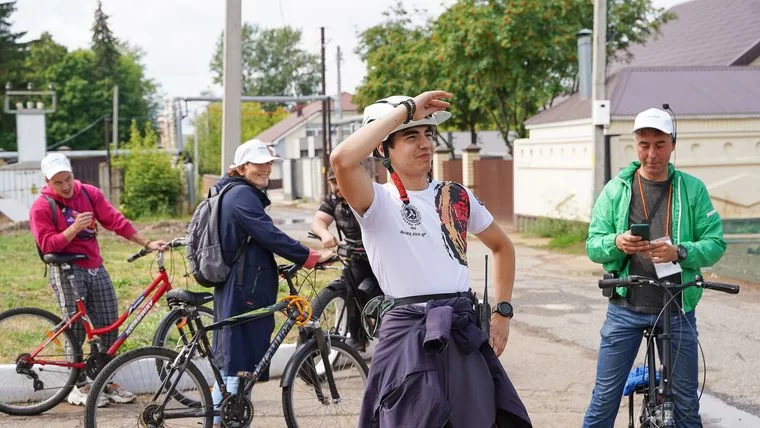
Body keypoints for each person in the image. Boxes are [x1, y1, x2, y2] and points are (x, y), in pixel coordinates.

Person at [330, 91, 531, 427]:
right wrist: (406, 111)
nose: (425, 144)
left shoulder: (455, 195)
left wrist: (503, 312)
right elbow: (342, 160)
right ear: (383, 148)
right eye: (411, 136)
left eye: (429, 134)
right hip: (407, 333)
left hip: (462, 329)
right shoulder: (376, 199)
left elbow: (502, 247)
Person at [583, 108, 726, 427]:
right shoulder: (617, 189)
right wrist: (617, 242)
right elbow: (593, 244)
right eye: (644, 144)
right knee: (604, 398)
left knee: (687, 403)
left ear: (673, 144)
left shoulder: (692, 189)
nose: (651, 153)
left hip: (677, 306)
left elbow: (715, 243)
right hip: (625, 306)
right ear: (635, 144)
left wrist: (682, 251)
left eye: (659, 144)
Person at [29, 152, 167, 407]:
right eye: (58, 182)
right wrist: (73, 229)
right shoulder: (41, 206)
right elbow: (47, 243)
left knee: (108, 324)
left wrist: (147, 243)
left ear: (73, 174)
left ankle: (105, 379)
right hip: (66, 268)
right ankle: (77, 384)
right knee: (76, 328)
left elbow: (116, 221)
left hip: (94, 267)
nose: (65, 186)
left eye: (68, 179)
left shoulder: (89, 194)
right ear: (47, 182)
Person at [209, 139, 329, 427]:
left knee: (235, 365)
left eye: (268, 163)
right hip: (242, 289)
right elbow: (268, 234)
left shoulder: (237, 192)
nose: (265, 168)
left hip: (241, 285)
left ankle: (229, 419)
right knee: (235, 367)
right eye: (257, 163)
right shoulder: (241, 195)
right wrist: (309, 256)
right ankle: (222, 421)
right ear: (241, 167)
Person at [310, 166, 381, 352]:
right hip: (353, 254)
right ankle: (357, 337)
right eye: (333, 182)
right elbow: (318, 221)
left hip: (380, 256)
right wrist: (325, 234)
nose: (336, 186)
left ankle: (389, 336)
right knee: (353, 290)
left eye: (339, 180)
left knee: (375, 294)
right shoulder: (333, 199)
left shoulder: (370, 194)